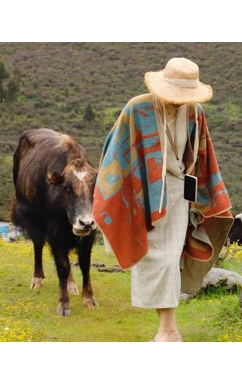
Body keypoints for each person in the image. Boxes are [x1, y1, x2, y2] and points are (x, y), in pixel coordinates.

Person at [93, 57, 233, 342]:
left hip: (179, 193)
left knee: (170, 259)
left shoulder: (195, 111)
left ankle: (168, 329)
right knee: (151, 257)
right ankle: (168, 329)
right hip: (144, 193)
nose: (181, 101)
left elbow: (201, 153)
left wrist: (203, 195)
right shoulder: (137, 108)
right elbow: (116, 150)